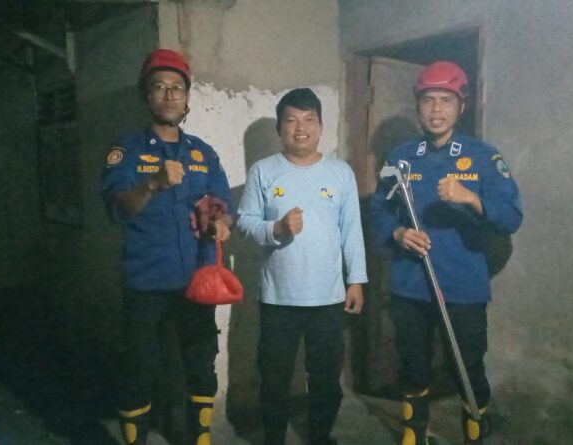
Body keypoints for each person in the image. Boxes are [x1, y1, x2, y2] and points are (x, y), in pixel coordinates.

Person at [371, 61, 522, 445]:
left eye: (446, 100)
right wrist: (397, 232)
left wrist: (472, 199)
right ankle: (414, 432)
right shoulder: (400, 158)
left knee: (467, 364)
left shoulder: (483, 157)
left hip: (463, 285)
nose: (436, 109)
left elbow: (511, 217)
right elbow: (379, 210)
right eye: (428, 100)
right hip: (410, 284)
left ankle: (474, 430)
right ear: (417, 105)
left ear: (461, 105)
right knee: (412, 364)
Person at [101, 48, 233, 445]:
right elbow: (117, 208)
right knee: (138, 368)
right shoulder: (127, 150)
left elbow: (224, 205)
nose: (170, 94)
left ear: (187, 97)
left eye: (177, 87)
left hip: (196, 281)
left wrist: (221, 223)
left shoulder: (202, 153)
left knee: (201, 364)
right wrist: (153, 183)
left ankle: (199, 438)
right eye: (159, 86)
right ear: (147, 95)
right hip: (146, 281)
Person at [236, 88, 367, 445]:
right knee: (274, 378)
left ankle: (320, 437)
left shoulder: (340, 172)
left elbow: (351, 229)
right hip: (278, 298)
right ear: (280, 128)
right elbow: (244, 222)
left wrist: (356, 280)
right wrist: (276, 229)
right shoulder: (263, 171)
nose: (301, 128)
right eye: (291, 120)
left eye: (309, 119)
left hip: (328, 298)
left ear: (321, 126)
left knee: (326, 378)